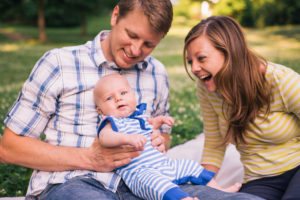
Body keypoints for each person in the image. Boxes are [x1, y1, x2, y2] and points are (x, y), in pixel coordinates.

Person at [0, 0, 264, 198]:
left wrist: (159, 140)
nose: (136, 50)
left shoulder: (157, 72)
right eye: (132, 35)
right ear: (116, 15)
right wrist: (90, 158)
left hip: (151, 181)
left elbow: (162, 136)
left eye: (149, 44)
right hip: (74, 182)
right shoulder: (59, 63)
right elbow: (9, 148)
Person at [183, 15, 300, 200]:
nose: (195, 68)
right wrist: (202, 188)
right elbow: (214, 144)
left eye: (201, 58)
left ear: (230, 52)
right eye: (191, 62)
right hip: (259, 179)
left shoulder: (281, 80)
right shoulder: (206, 88)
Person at [94, 74, 242, 200]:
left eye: (123, 93)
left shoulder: (140, 117)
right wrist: (126, 139)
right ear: (101, 110)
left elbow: (151, 128)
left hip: (165, 165)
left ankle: (219, 191)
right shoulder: (111, 122)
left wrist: (159, 122)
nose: (118, 99)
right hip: (141, 172)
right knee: (156, 185)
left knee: (191, 166)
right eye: (109, 98)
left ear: (133, 96)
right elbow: (104, 138)